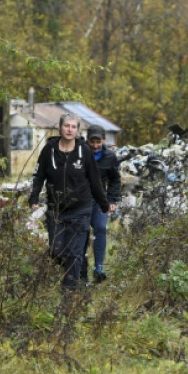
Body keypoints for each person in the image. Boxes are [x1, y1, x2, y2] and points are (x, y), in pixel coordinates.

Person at [29, 113, 112, 289]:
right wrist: (34, 196)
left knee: (74, 253)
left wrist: (103, 203)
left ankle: (69, 295)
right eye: (67, 126)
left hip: (80, 209)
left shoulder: (84, 151)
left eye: (73, 127)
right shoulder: (49, 150)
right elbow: (39, 175)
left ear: (77, 130)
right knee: (56, 251)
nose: (70, 129)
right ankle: (79, 268)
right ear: (60, 127)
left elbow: (95, 179)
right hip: (56, 209)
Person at [81, 124, 120, 283]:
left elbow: (115, 179)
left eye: (99, 142)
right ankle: (82, 271)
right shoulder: (80, 153)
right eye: (92, 142)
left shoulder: (110, 157)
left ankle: (98, 267)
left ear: (104, 140)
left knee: (101, 229)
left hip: (99, 201)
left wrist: (111, 199)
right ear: (88, 140)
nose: (96, 146)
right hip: (81, 201)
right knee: (82, 234)